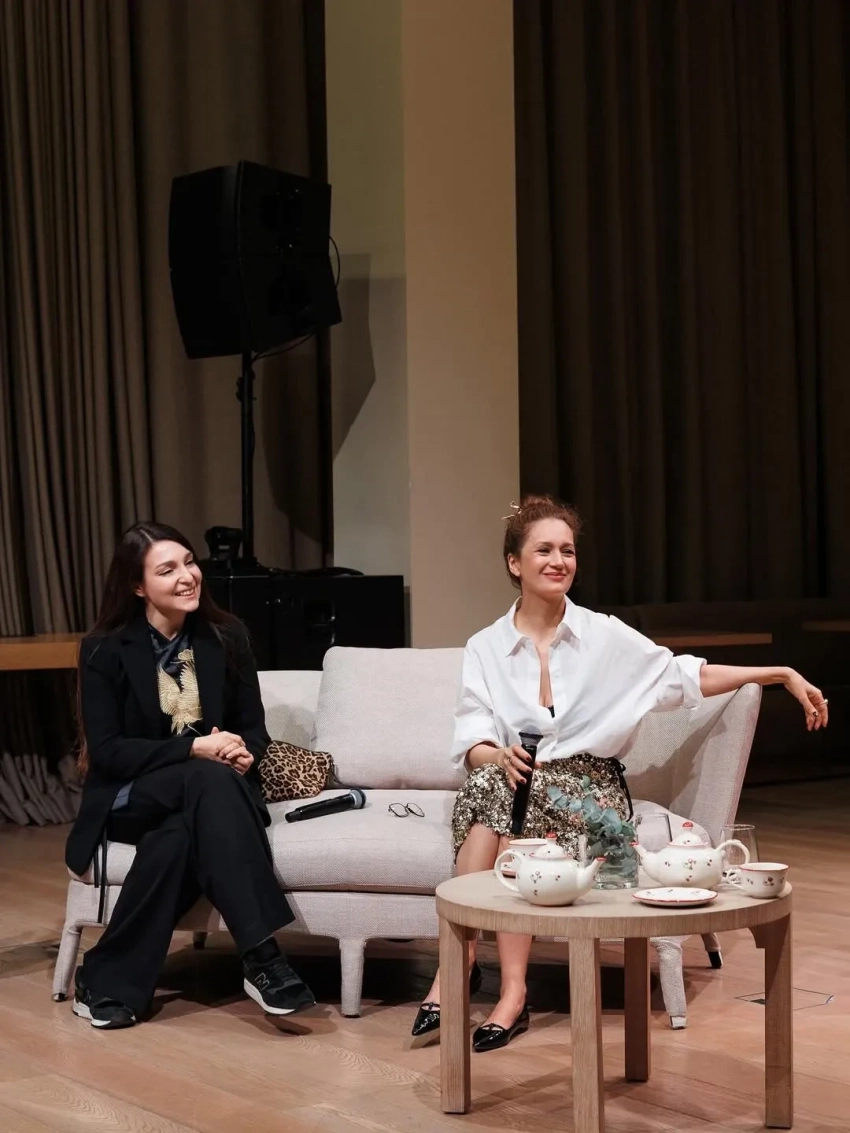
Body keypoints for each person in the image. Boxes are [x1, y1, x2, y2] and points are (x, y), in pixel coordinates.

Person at [412, 494, 828, 1051]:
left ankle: (473, 973)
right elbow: (473, 738)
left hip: (588, 787)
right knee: (498, 785)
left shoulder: (604, 635)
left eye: (567, 550)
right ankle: (492, 980)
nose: (559, 561)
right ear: (515, 562)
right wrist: (499, 756)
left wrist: (778, 673)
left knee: (507, 797)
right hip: (511, 777)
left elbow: (682, 677)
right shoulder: (485, 646)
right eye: (544, 550)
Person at [66, 522, 315, 1029]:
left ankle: (105, 979)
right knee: (207, 778)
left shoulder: (226, 636)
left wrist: (243, 754)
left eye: (189, 562)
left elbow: (253, 730)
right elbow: (109, 752)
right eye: (167, 569)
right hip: (133, 792)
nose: (187, 576)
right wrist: (195, 748)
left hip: (208, 796)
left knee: (179, 836)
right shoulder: (103, 649)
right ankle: (262, 955)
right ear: (137, 586)